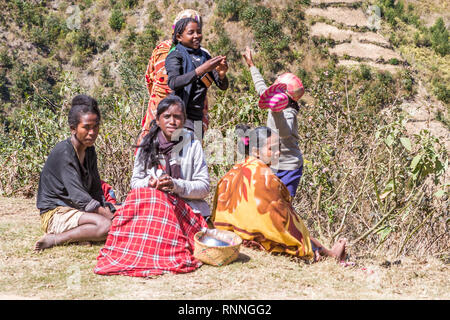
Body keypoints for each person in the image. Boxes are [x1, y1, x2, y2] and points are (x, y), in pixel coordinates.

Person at [94, 95, 210, 277]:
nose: (173, 121)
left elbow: (204, 187)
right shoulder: (147, 143)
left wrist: (175, 185)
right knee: (142, 198)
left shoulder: (193, 144)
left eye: (178, 117)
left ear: (184, 120)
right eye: (167, 116)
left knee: (156, 205)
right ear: (158, 120)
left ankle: (160, 254)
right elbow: (135, 182)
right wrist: (150, 183)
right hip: (153, 207)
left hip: (185, 209)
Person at [211, 125, 348, 263]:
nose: (278, 153)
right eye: (272, 149)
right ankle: (330, 254)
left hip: (226, 234)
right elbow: (279, 223)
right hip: (254, 238)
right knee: (294, 227)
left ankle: (328, 252)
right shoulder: (266, 178)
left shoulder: (232, 171)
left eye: (279, 148)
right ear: (256, 151)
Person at [34, 95, 114, 251]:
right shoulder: (64, 152)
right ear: (73, 128)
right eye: (86, 127)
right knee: (106, 225)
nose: (92, 132)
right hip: (55, 213)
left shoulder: (89, 150)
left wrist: (108, 209)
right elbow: (79, 196)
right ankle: (55, 239)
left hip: (76, 209)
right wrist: (108, 216)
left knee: (120, 211)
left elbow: (96, 188)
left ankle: (82, 235)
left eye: (96, 127)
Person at [242, 47, 304, 198]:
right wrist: (251, 65)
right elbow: (261, 88)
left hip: (289, 167)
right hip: (272, 161)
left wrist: (277, 111)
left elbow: (285, 133)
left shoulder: (289, 112)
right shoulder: (273, 100)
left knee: (284, 204)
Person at [141, 9, 212, 142]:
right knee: (189, 155)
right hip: (192, 115)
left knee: (152, 152)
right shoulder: (202, 54)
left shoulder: (160, 49)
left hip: (158, 111)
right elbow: (205, 84)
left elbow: (149, 80)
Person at [165, 17, 229, 138]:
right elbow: (173, 82)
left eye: (199, 32)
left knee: (196, 152)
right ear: (179, 37)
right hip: (180, 115)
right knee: (184, 151)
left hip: (198, 117)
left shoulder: (204, 55)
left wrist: (221, 74)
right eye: (191, 33)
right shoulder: (175, 55)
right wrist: (202, 69)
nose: (197, 36)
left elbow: (223, 86)